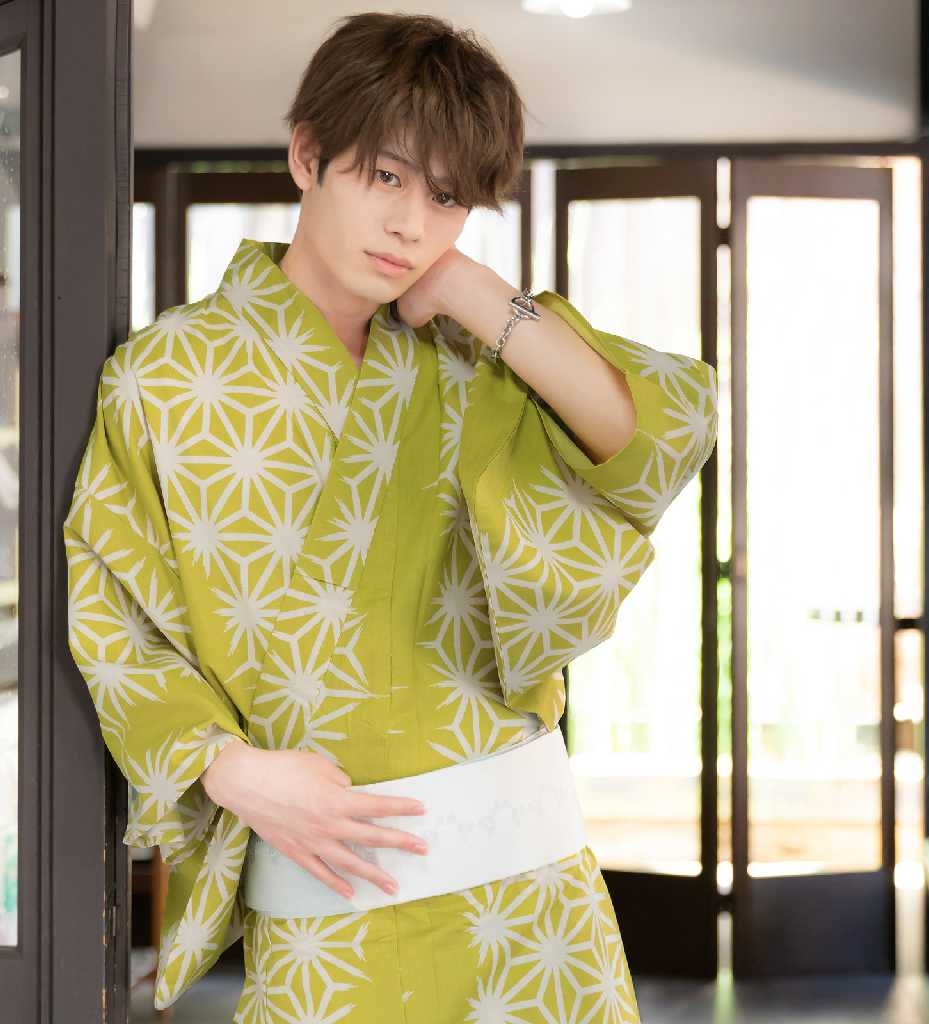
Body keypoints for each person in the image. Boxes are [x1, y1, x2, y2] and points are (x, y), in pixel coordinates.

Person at [62, 11, 719, 1022]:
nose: (412, 224)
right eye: (385, 176)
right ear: (306, 156)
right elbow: (113, 613)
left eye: (447, 197)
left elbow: (651, 438)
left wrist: (477, 293)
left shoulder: (473, 359)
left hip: (531, 913)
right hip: (329, 907)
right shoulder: (165, 378)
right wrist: (229, 769)